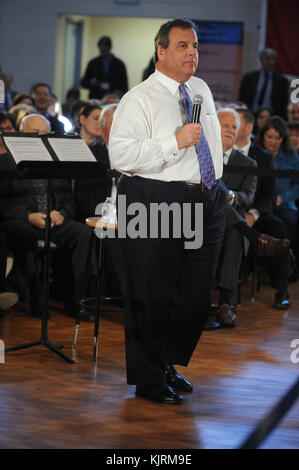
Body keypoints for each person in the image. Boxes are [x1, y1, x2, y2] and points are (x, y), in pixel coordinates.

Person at [109, 19, 228, 404]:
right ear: (161, 51)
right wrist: (173, 142)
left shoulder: (201, 89)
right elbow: (121, 155)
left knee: (193, 297)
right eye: (182, 45)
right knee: (152, 293)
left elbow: (209, 140)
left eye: (194, 46)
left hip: (206, 197)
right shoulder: (138, 99)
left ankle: (165, 361)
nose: (192, 52)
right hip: (157, 197)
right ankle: (148, 378)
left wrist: (215, 183)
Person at [0, 113, 97, 319]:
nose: (39, 137)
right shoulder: (6, 162)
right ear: (20, 134)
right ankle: (37, 301)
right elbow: (3, 203)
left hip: (53, 220)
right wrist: (28, 216)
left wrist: (61, 214)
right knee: (24, 235)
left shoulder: (56, 160)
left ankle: (76, 301)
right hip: (21, 221)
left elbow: (69, 201)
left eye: (44, 133)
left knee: (83, 234)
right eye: (34, 133)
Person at [235, 108, 291, 309]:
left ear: (248, 127)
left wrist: (253, 213)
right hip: (229, 212)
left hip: (256, 213)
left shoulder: (263, 156)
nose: (231, 127)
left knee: (278, 229)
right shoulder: (221, 149)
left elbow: (269, 195)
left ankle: (282, 291)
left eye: (236, 123)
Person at [256, 116, 299, 243]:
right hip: (259, 204)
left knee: (285, 220)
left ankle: (284, 257)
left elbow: (298, 185)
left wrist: (283, 197)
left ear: (283, 139)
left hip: (284, 205)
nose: (273, 142)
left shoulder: (291, 156)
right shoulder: (255, 152)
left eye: (277, 138)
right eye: (270, 137)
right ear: (263, 136)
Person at [238, 48, 289, 119]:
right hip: (250, 115)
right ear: (261, 60)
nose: (270, 62)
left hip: (272, 117)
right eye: (267, 59)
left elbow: (284, 104)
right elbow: (241, 99)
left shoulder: (282, 81)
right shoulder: (249, 78)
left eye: (273, 59)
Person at [81, 36, 128, 100]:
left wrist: (120, 93)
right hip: (96, 98)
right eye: (101, 49)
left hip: (113, 98)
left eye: (105, 49)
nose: (103, 52)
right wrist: (91, 82)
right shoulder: (93, 63)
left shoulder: (119, 64)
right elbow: (83, 83)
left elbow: (124, 86)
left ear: (109, 48)